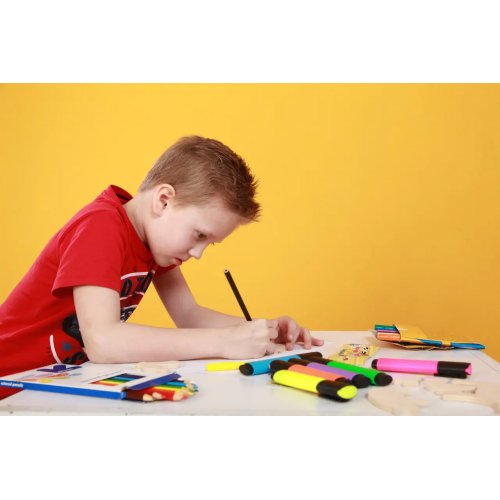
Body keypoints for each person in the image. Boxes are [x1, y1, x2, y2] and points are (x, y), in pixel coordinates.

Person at [0, 135, 323, 399]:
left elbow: (189, 315)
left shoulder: (154, 242)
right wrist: (223, 342)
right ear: (164, 200)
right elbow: (102, 340)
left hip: (50, 384)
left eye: (209, 243)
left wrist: (263, 330)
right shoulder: (100, 227)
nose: (198, 253)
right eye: (199, 235)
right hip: (10, 384)